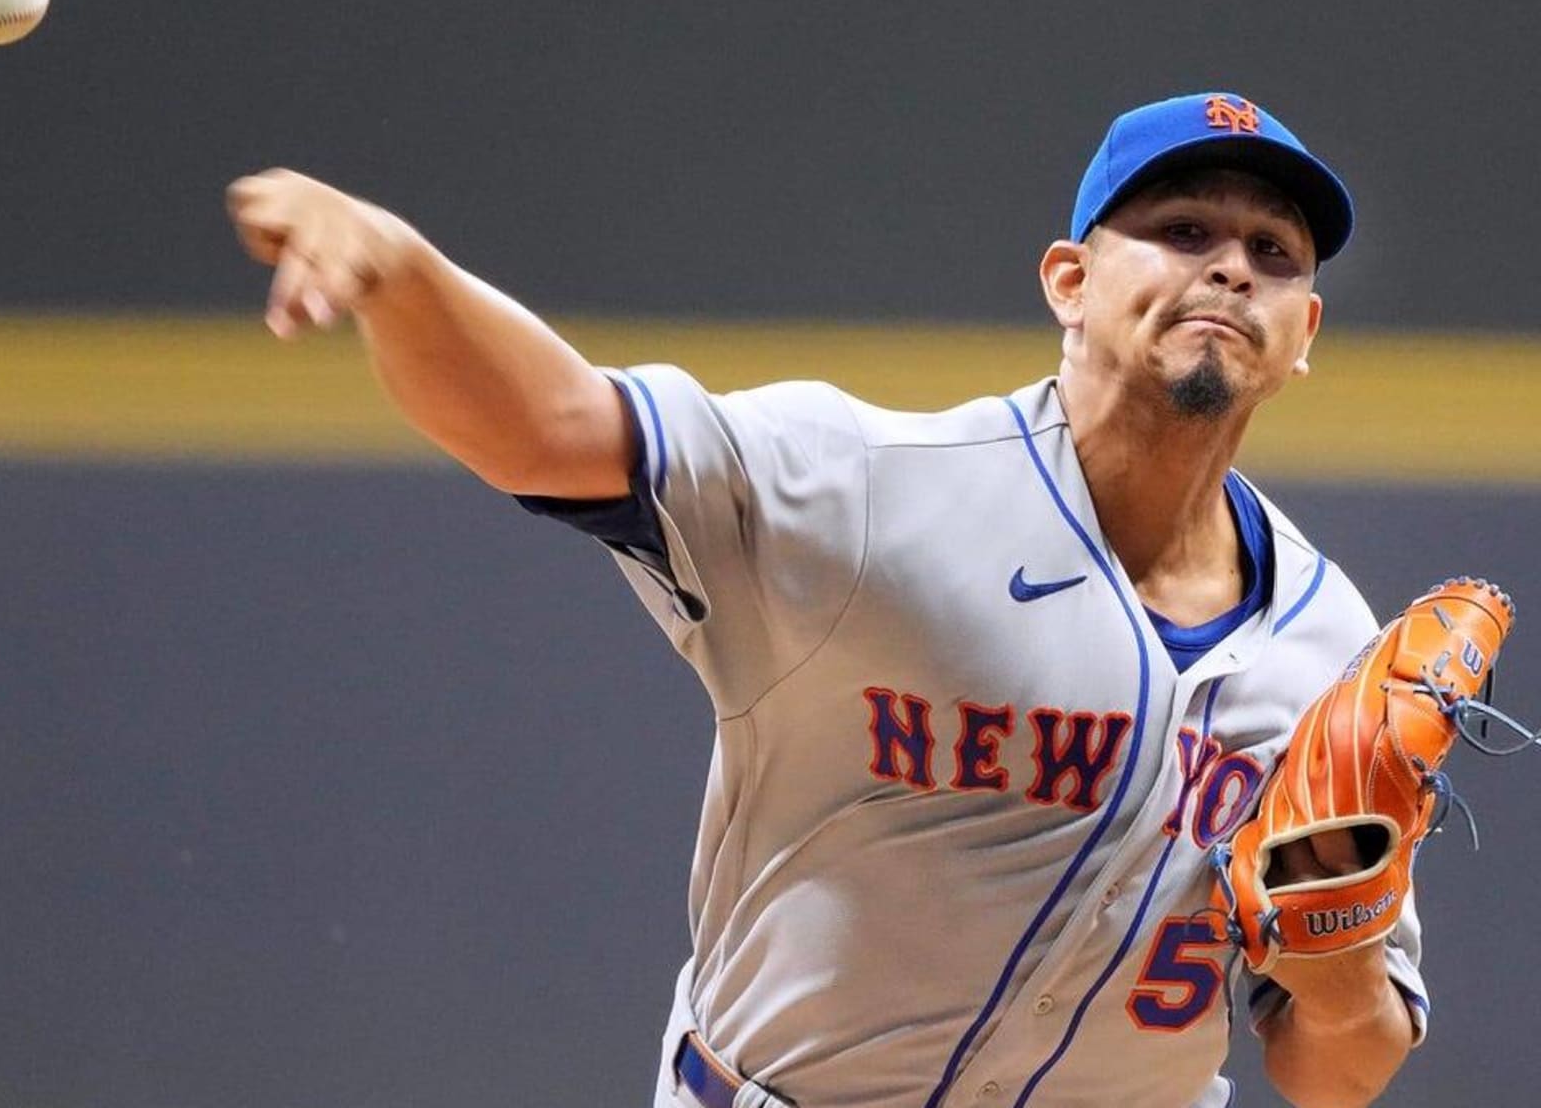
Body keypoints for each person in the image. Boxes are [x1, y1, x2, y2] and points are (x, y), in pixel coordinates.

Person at [227, 92, 1421, 1108]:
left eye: (1274, 252)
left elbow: (1335, 1074)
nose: (1230, 265)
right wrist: (400, 270)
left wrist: (1339, 967)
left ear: (1302, 331)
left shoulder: (1331, 647)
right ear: (1068, 280)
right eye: (1182, 228)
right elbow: (549, 429)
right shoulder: (869, 488)